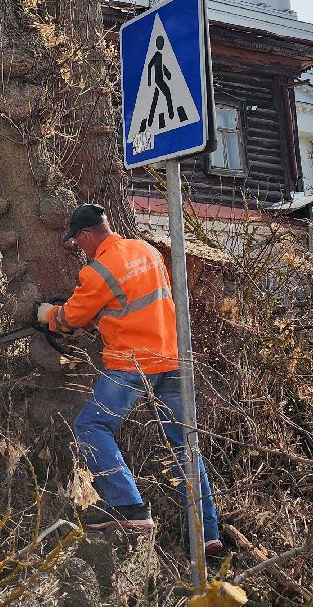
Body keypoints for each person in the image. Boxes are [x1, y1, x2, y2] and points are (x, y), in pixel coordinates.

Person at [37, 204, 221, 548]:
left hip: (132, 365)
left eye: (78, 242)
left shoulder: (98, 272)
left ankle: (129, 506)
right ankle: (208, 533)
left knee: (91, 426)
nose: (80, 248)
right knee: (184, 446)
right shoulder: (147, 250)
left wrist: (48, 314)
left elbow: (72, 318)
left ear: (86, 235)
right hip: (173, 359)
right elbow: (133, 303)